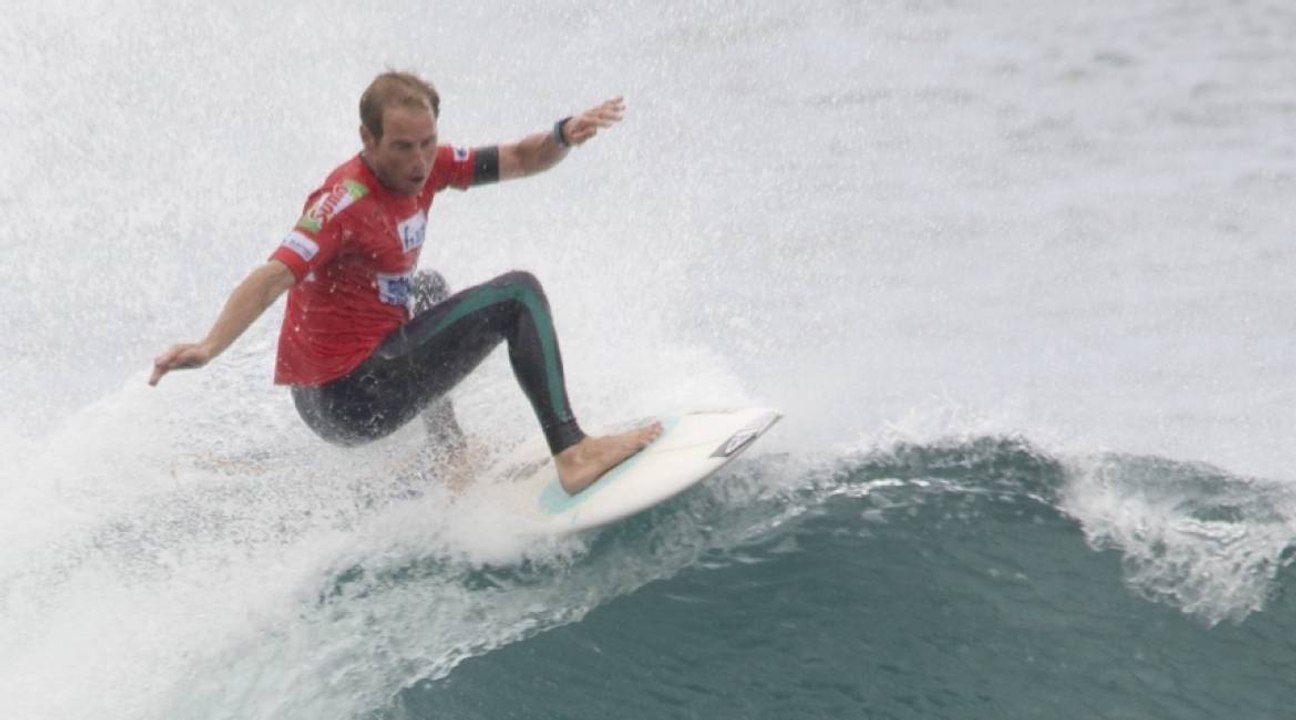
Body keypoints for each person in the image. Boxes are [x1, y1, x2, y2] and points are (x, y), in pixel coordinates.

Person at [149, 71, 661, 495]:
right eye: (401, 147)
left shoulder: (430, 166)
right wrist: (209, 346)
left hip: (339, 386)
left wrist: (562, 135)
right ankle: (573, 452)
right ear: (367, 139)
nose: (418, 162)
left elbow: (523, 158)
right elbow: (272, 277)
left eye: (426, 143)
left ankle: (450, 455)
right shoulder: (343, 203)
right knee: (517, 294)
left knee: (428, 286)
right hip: (348, 399)